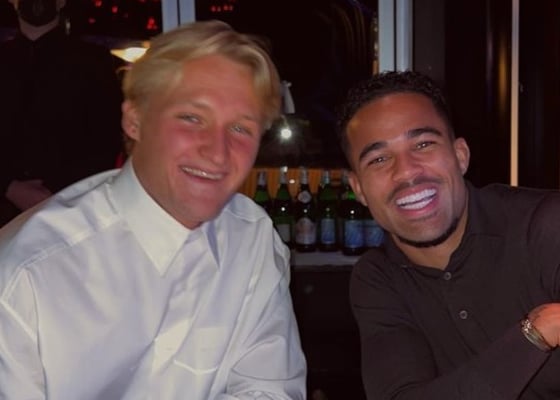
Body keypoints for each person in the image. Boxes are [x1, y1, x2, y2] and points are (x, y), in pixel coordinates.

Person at [0, 20, 306, 399]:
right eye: (192, 118)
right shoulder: (24, 276)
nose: (217, 152)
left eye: (241, 128)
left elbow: (270, 390)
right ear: (135, 120)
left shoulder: (250, 235)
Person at [336, 70, 560, 399]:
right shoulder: (378, 278)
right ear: (358, 188)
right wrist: (535, 334)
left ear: (460, 155)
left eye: (423, 144)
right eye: (379, 159)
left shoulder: (545, 226)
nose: (406, 172)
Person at [0, 0, 123, 226]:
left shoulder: (93, 61)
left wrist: (58, 195)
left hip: (72, 213)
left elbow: (107, 137)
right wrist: (9, 187)